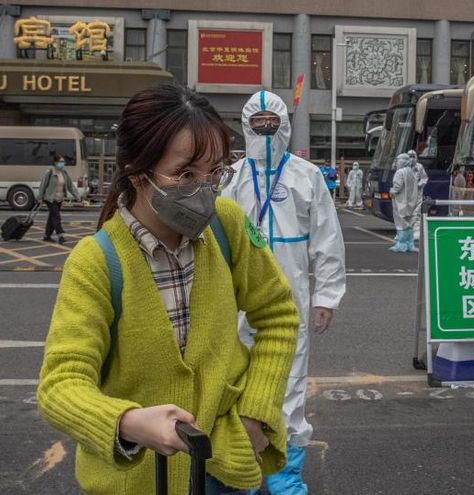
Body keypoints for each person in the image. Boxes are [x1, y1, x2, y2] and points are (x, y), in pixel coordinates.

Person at [37, 84, 299, 494]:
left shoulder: (226, 224)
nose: (205, 188)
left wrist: (255, 413)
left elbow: (279, 313)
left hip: (225, 467)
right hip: (136, 480)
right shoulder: (96, 263)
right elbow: (61, 385)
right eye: (184, 174)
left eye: (215, 172)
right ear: (137, 172)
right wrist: (126, 423)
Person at [224, 90, 346, 495]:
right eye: (257, 125)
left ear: (282, 125)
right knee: (238, 377)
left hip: (292, 297)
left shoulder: (305, 175)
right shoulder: (234, 177)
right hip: (240, 298)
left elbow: (327, 242)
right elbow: (216, 240)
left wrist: (326, 297)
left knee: (291, 382)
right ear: (247, 127)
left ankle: (285, 474)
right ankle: (242, 464)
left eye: (269, 124)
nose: (264, 131)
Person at [37, 154, 80, 244]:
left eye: (63, 162)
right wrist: (40, 197)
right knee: (56, 217)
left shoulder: (64, 173)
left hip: (59, 199)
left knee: (52, 217)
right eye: (60, 161)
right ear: (55, 163)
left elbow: (70, 186)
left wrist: (77, 195)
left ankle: (46, 236)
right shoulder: (49, 173)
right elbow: (43, 185)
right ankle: (60, 235)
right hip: (50, 199)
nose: (63, 163)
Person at [389, 152, 419, 252]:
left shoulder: (400, 172)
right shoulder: (411, 171)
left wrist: (392, 192)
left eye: (398, 160)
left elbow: (397, 186)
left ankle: (401, 244)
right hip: (410, 202)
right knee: (409, 223)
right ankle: (409, 244)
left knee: (401, 222)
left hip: (400, 201)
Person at [409, 150, 429, 241]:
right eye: (410, 156)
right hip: (407, 194)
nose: (411, 158)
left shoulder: (419, 167)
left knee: (416, 212)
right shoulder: (405, 168)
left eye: (413, 156)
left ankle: (417, 230)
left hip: (417, 193)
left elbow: (424, 178)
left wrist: (419, 184)